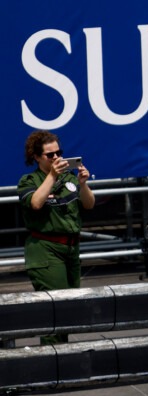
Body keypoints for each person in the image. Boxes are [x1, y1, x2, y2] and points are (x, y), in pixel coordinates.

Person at [18, 130, 95, 345]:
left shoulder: (69, 178)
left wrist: (82, 184)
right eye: (49, 155)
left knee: (68, 310)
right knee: (54, 310)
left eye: (58, 153)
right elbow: (36, 203)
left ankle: (62, 357)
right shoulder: (29, 180)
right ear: (36, 157)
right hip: (46, 250)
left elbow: (89, 204)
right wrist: (51, 176)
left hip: (71, 249)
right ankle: (52, 359)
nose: (56, 158)